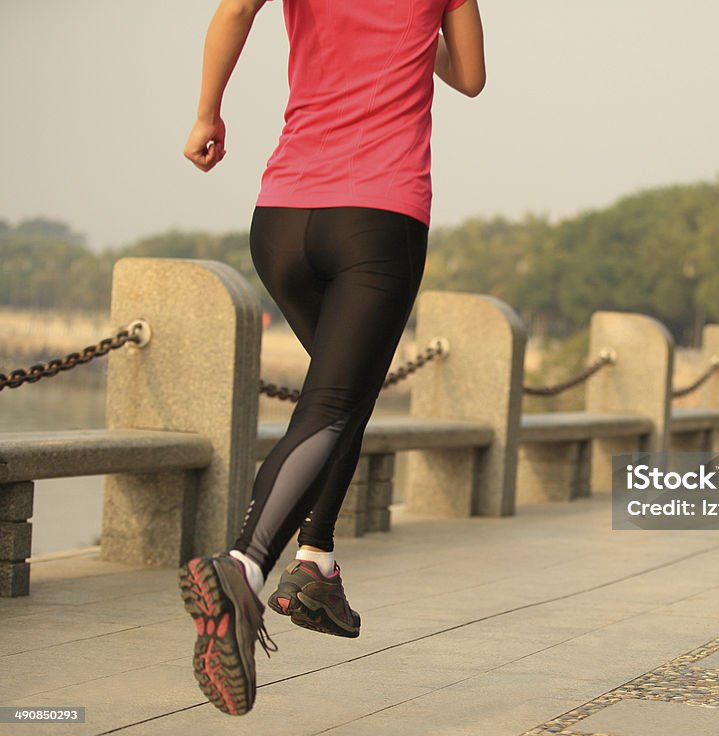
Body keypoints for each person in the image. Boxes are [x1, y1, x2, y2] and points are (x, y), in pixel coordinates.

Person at [177, 0, 485, 716]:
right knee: (335, 404)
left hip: (282, 220)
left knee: (342, 396)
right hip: (377, 220)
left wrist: (207, 114)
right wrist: (422, 35)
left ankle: (315, 562)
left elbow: (234, 9)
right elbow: (468, 76)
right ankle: (246, 567)